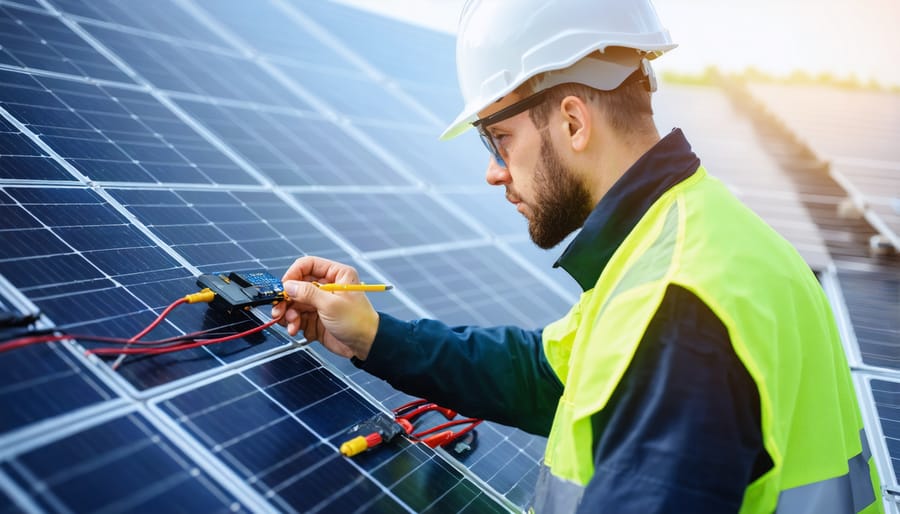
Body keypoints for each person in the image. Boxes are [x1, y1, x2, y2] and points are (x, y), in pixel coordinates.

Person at [272, 0, 883, 512]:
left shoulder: (681, 311)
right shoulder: (689, 240)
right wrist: (371, 333)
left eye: (498, 139)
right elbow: (546, 375)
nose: (492, 172)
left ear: (572, 122)